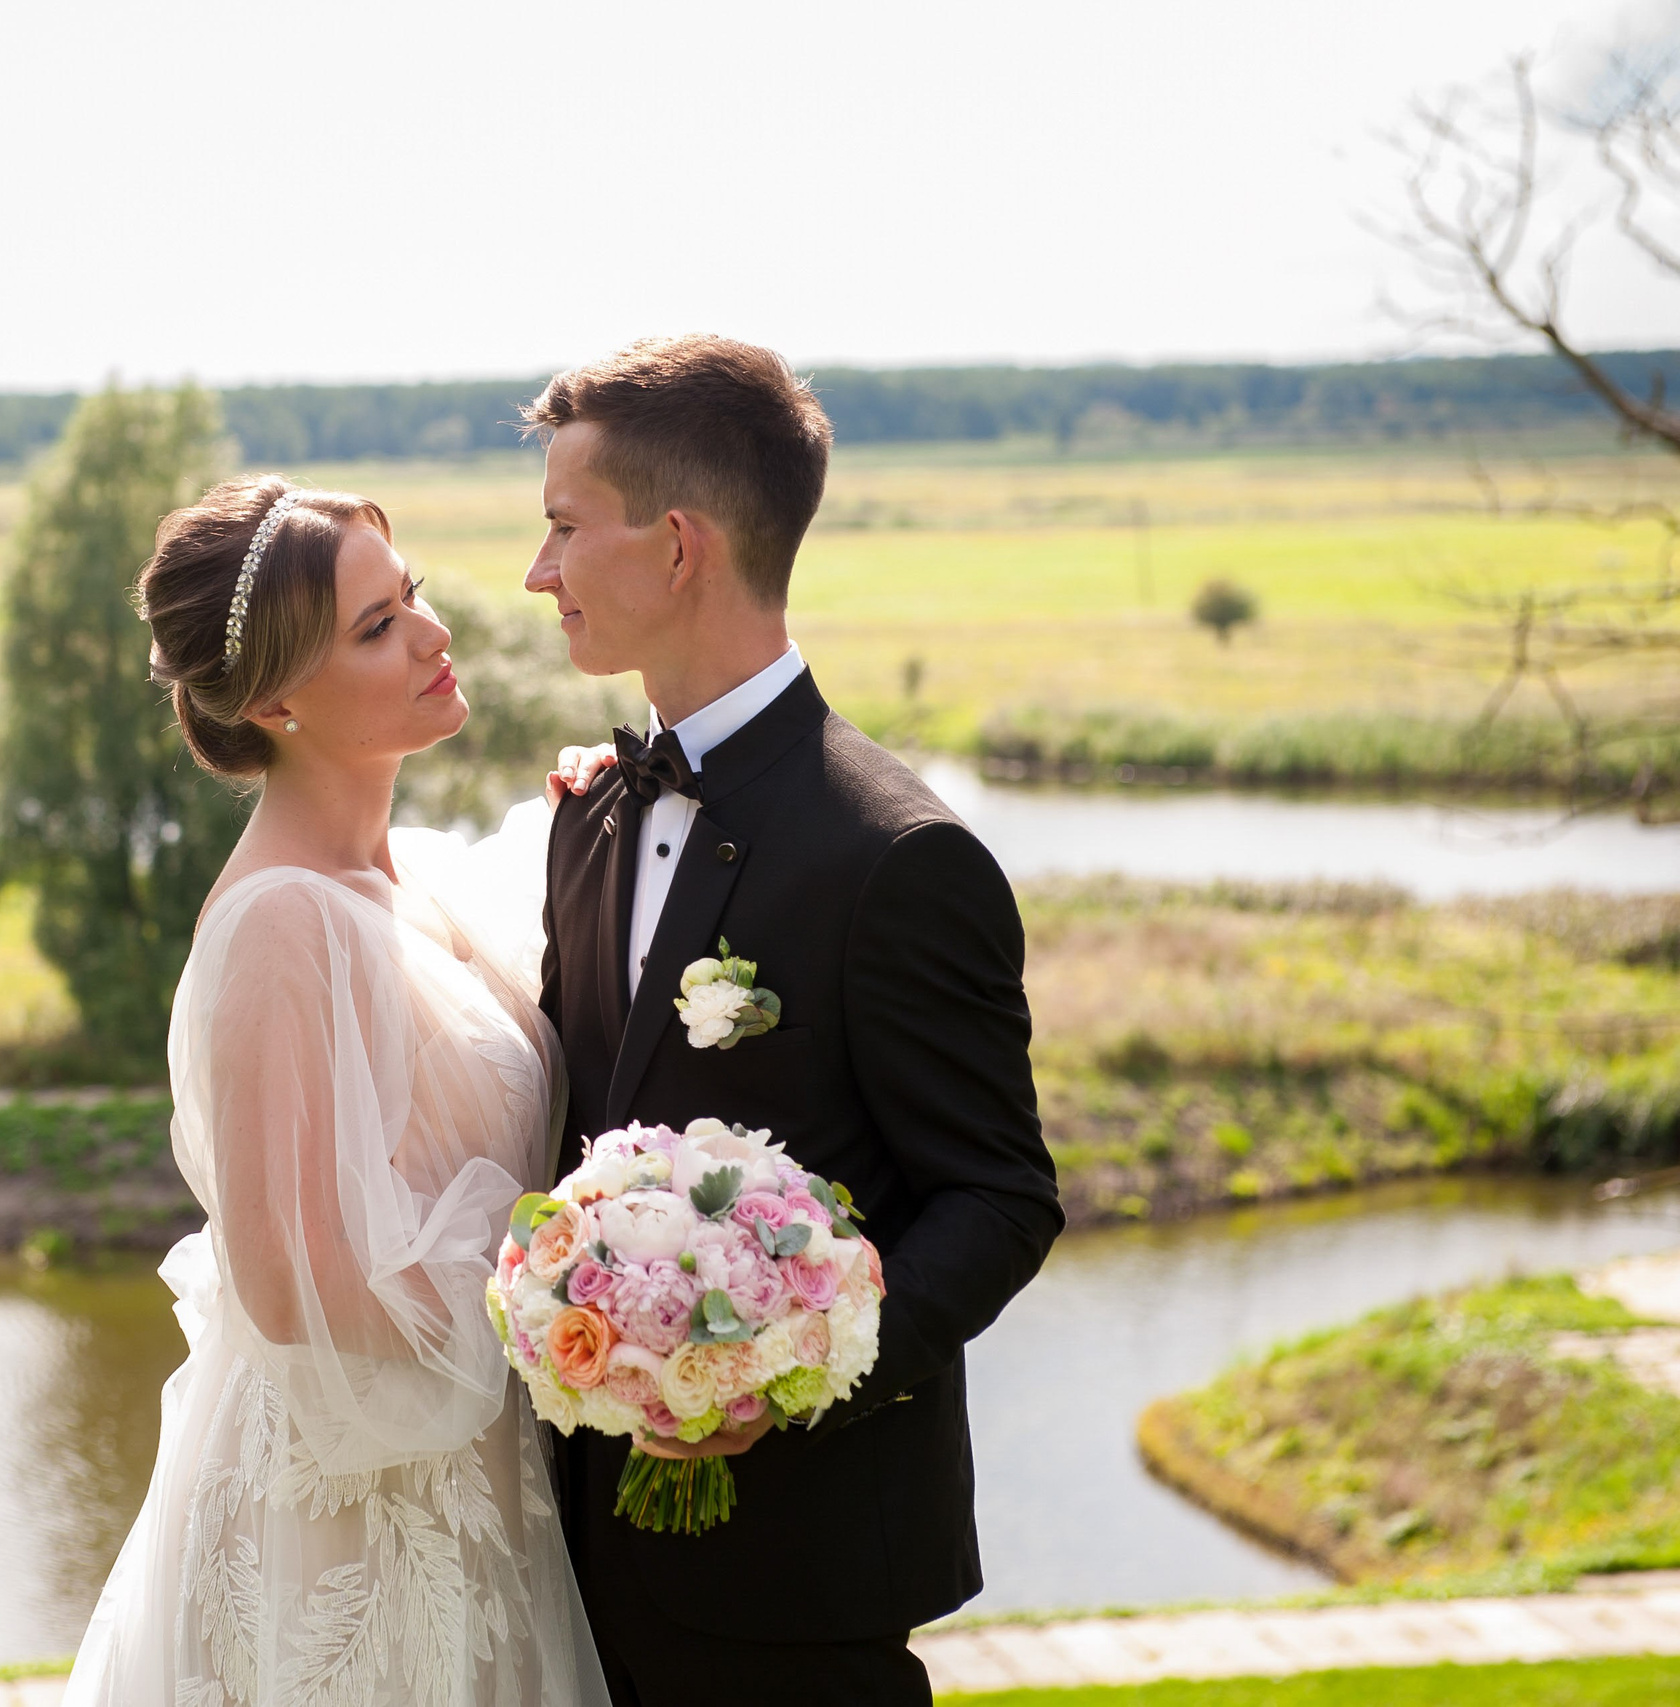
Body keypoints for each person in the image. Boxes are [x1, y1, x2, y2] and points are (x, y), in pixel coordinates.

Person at [524, 336, 1064, 1707]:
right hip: (568, 1574)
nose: (540, 572)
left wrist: (794, 1364)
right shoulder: (587, 813)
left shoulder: (896, 856)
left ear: (679, 545)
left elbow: (998, 1197)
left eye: (564, 527)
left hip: (801, 1588)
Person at [66, 477, 613, 1707]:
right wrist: (578, 1307)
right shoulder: (280, 925)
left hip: (471, 1480)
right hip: (348, 1529)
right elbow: (285, 1270)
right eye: (377, 628)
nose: (433, 634)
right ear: (274, 702)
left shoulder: (407, 878)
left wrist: (601, 809)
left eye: (407, 594)